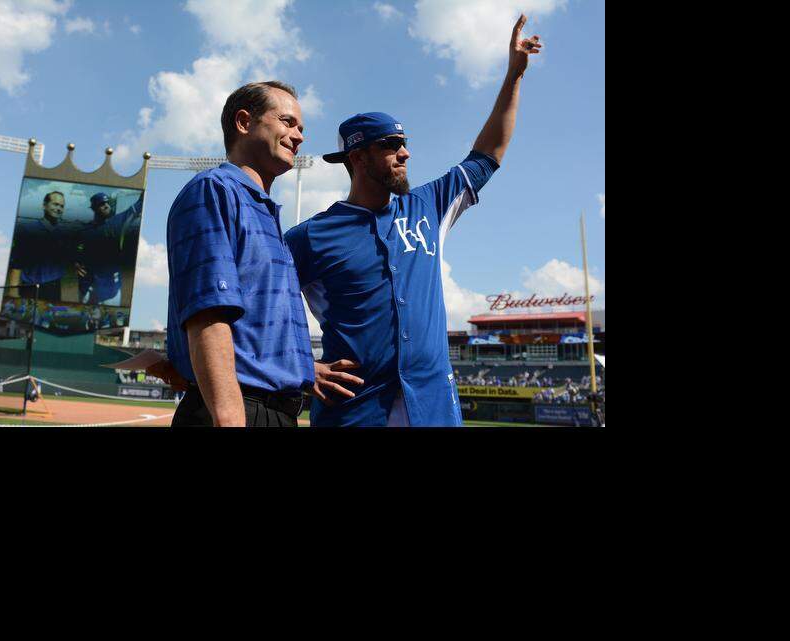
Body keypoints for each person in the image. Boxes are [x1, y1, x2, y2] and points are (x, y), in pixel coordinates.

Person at [285, 14, 542, 427]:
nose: (404, 153)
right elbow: (262, 302)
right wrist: (299, 363)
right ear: (358, 157)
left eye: (404, 144)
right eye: (391, 145)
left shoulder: (428, 205)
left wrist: (513, 74)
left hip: (433, 407)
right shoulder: (311, 236)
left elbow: (488, 154)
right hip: (353, 411)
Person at [161, 80, 362, 428]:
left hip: (270, 411)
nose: (299, 136)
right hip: (236, 411)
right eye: (287, 122)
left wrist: (300, 368)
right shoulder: (215, 191)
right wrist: (230, 418)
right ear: (243, 122)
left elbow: (250, 329)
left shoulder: (263, 210)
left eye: (301, 128)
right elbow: (208, 316)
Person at [75, 191, 143, 305]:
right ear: (94, 208)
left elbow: (138, 204)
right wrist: (75, 262)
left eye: (107, 203)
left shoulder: (116, 222)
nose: (106, 206)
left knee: (111, 321)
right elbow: (75, 250)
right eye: (102, 204)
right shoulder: (85, 231)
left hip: (111, 291)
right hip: (88, 289)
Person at [8, 191, 74, 301]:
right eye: (55, 204)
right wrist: (13, 290)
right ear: (44, 205)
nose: (59, 208)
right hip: (29, 287)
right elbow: (17, 263)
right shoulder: (27, 230)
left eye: (62, 206)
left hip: (54, 286)